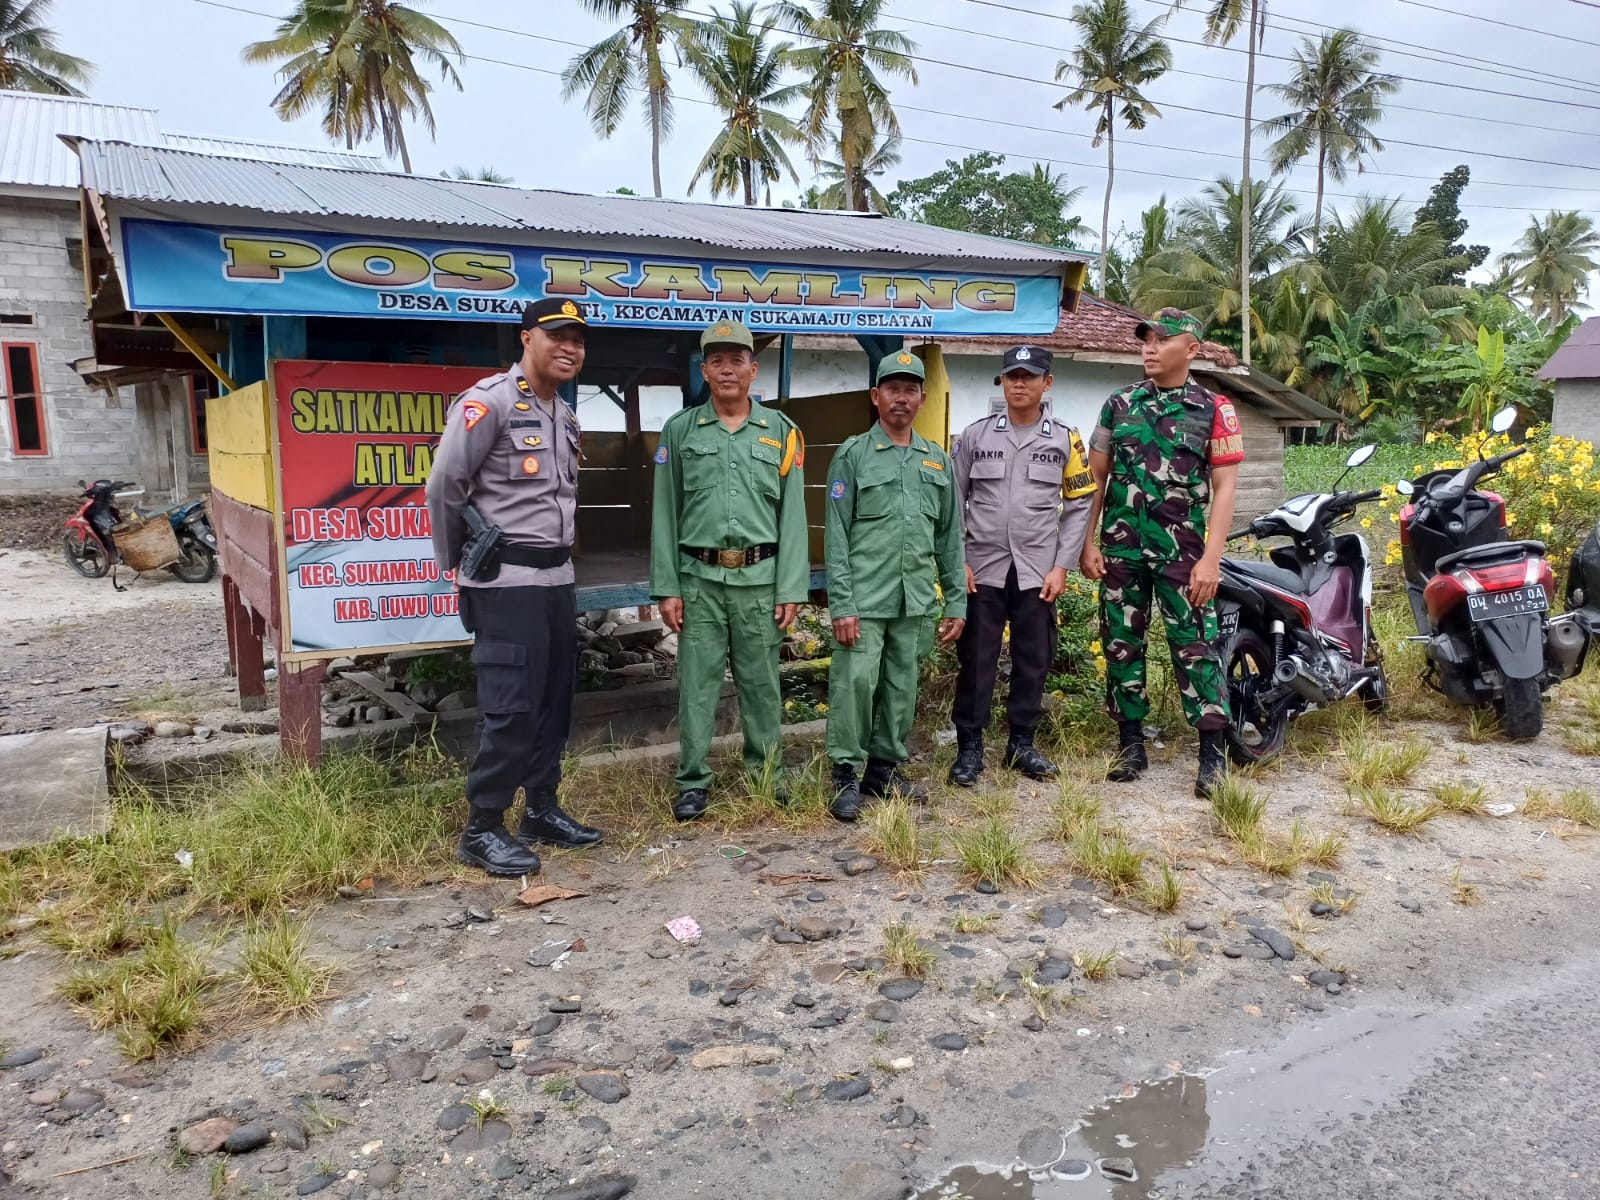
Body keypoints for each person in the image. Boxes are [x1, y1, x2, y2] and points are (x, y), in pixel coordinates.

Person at [425, 298, 604, 877]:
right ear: (527, 338)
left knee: (553, 703)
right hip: (505, 583)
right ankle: (482, 828)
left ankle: (542, 810)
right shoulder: (489, 403)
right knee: (510, 709)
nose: (570, 348)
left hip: (557, 579)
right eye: (558, 337)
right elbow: (444, 485)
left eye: (578, 340)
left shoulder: (564, 415)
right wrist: (460, 565)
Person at [1079, 308, 1245, 799]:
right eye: (1146, 339)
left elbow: (1226, 488)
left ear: (1191, 349)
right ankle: (1131, 745)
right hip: (1121, 551)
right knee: (1121, 645)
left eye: (1161, 340)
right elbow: (1095, 480)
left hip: (1185, 556)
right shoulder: (1118, 404)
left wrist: (1211, 559)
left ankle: (1211, 755)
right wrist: (1086, 542)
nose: (1149, 348)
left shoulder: (1215, 409)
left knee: (1197, 648)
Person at [650, 321, 809, 821]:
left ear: (752, 369)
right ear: (704, 370)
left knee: (762, 683)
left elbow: (793, 517)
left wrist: (791, 588)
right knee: (696, 684)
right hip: (698, 581)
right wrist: (667, 587)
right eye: (716, 360)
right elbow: (664, 510)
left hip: (760, 582)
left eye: (736, 359)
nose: (726, 369)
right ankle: (693, 779)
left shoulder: (782, 433)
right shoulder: (679, 432)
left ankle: (767, 773)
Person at [823, 351, 966, 821]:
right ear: (875, 396)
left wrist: (955, 602)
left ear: (922, 399)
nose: (901, 398)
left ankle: (883, 770)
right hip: (864, 600)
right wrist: (841, 603)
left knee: (901, 688)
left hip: (915, 601)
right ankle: (845, 772)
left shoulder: (936, 461)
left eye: (910, 389)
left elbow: (949, 539)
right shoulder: (853, 455)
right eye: (892, 388)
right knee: (856, 686)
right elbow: (837, 535)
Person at [948, 345, 1096, 787]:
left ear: (1046, 383)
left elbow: (1079, 503)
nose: (1018, 383)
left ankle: (1021, 745)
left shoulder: (1064, 439)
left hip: (1037, 569)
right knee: (977, 658)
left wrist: (1062, 566)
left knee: (1034, 657)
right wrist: (959, 561)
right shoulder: (974, 437)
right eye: (1011, 374)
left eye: (1029, 376)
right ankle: (970, 748)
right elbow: (953, 500)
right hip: (983, 567)